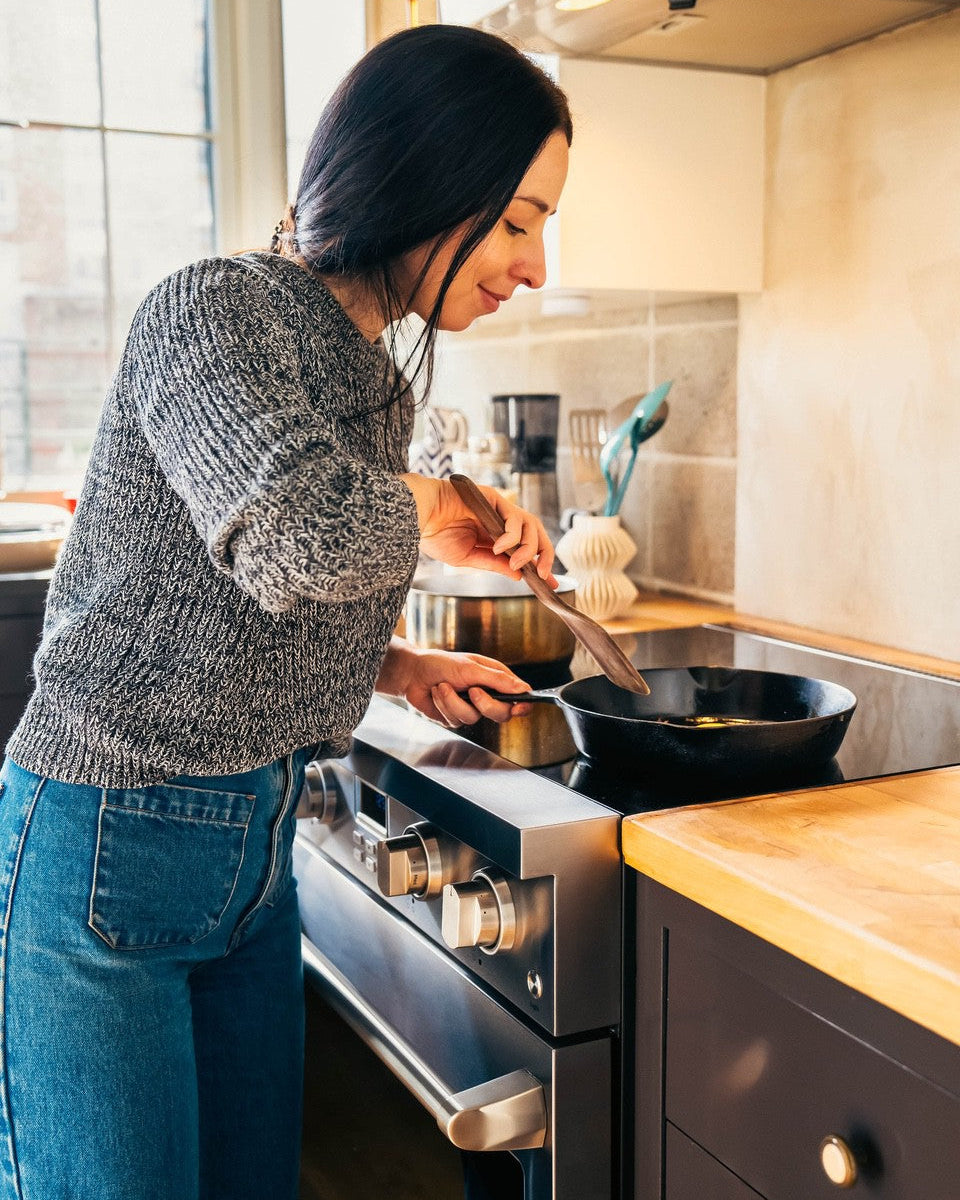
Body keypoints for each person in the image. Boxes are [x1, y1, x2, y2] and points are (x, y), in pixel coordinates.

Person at [0, 23, 572, 1200]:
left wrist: (400, 668)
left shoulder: (374, 375)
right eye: (517, 220)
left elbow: (268, 606)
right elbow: (297, 535)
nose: (535, 266)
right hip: (106, 835)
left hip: (251, 861)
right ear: (426, 174)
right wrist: (439, 500)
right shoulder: (211, 309)